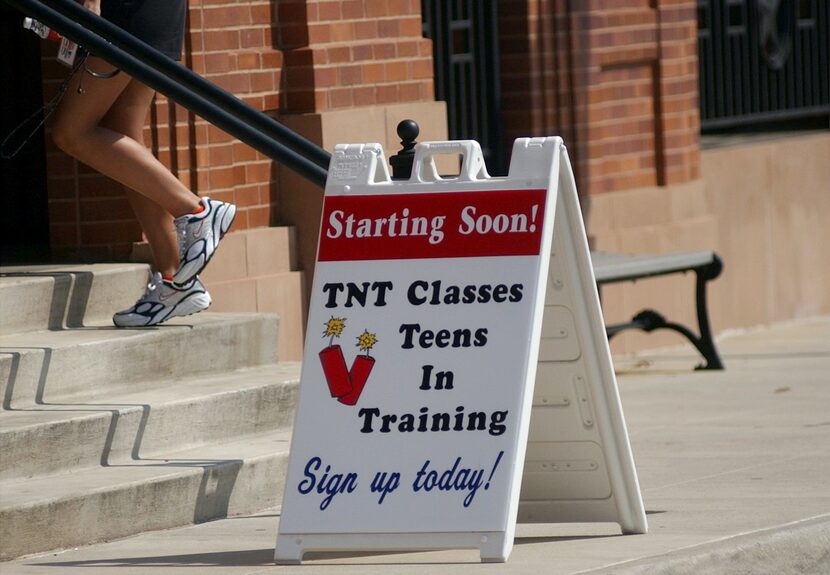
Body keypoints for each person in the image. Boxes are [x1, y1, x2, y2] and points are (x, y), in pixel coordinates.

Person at [50, 0, 235, 327]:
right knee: (124, 133)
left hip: (123, 10)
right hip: (149, 10)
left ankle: (195, 211)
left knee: (72, 132)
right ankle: (175, 279)